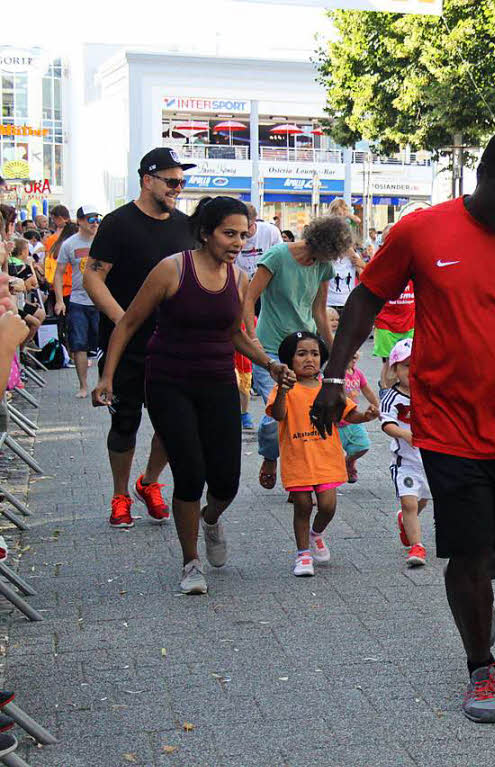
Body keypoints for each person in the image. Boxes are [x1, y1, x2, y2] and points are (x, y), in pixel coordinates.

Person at [307, 128, 495, 724]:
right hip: (446, 424)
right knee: (471, 551)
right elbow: (365, 300)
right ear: (480, 179)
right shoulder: (422, 230)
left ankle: (478, 578)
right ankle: (481, 665)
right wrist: (333, 377)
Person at [93, 196, 293, 594]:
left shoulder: (237, 278)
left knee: (227, 482)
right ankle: (190, 564)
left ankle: (211, 519)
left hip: (217, 381)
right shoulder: (172, 269)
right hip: (169, 381)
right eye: (229, 233)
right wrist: (107, 378)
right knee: (190, 473)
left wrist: (268, 363)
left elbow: (238, 333)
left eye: (242, 234)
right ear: (206, 233)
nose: (238, 242)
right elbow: (129, 323)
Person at [84, 148, 197, 528]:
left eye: (182, 181)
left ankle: (149, 482)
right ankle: (119, 495)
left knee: (172, 423)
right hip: (127, 345)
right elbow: (92, 277)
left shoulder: (185, 225)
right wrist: (123, 320)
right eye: (171, 181)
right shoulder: (118, 223)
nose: (178, 188)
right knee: (125, 422)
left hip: (173, 345)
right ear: (147, 180)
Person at [243, 217, 344, 490]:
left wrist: (336, 352)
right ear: (316, 243)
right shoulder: (276, 256)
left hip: (307, 348)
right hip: (271, 346)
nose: (322, 262)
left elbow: (319, 311)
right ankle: (270, 455)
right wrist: (252, 338)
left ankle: (301, 474)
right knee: (276, 410)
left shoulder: (323, 265)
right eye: (322, 255)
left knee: (304, 410)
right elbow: (249, 298)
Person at [268, 330, 377, 577]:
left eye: (315, 354)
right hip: (297, 458)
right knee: (303, 505)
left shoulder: (328, 389)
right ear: (289, 360)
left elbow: (349, 414)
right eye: (302, 354)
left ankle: (317, 533)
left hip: (326, 459)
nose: (309, 359)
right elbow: (278, 414)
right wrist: (283, 391)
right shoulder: (284, 388)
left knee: (327, 506)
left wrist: (366, 416)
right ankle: (303, 554)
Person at [381, 338, 432, 566]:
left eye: (418, 365)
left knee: (423, 500)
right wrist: (405, 434)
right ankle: (417, 547)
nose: (412, 371)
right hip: (406, 461)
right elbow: (387, 423)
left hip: (431, 460)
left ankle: (404, 519)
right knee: (410, 502)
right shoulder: (392, 397)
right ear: (395, 369)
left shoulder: (431, 393)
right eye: (407, 366)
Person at [54, 205, 102, 398]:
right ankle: (83, 386)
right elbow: (58, 273)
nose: (95, 223)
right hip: (78, 301)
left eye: (98, 218)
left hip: (101, 301)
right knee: (79, 344)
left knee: (105, 345)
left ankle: (102, 382)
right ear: (80, 221)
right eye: (91, 219)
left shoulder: (103, 242)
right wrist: (59, 300)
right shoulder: (69, 244)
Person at [338, 347, 377, 482]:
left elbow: (367, 391)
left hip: (353, 419)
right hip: (336, 423)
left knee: (363, 445)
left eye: (354, 356)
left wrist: (378, 407)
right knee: (330, 455)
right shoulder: (337, 374)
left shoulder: (358, 374)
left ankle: (348, 461)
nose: (352, 359)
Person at [236, 203, 282, 280]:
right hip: (242, 279)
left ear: (254, 220)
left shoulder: (270, 231)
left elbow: (280, 257)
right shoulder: (235, 236)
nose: (246, 231)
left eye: (248, 226)